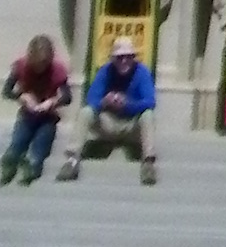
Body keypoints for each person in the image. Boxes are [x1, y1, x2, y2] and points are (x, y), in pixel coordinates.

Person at [60, 39, 158, 183]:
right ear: (113, 58)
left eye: (128, 57)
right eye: (119, 57)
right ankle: (72, 159)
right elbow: (91, 99)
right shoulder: (105, 71)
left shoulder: (142, 72)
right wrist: (105, 102)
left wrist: (127, 104)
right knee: (86, 112)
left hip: (131, 125)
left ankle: (148, 163)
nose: (124, 61)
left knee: (148, 114)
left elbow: (150, 101)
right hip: (108, 123)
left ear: (133, 57)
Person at [0, 33, 72, 186]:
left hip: (48, 117)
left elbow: (67, 97)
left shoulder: (57, 70)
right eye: (37, 65)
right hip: (27, 114)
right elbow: (6, 92)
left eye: (43, 65)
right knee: (18, 141)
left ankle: (33, 165)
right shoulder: (20, 67)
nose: (40, 69)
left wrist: (52, 102)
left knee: (40, 145)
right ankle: (10, 163)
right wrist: (22, 96)